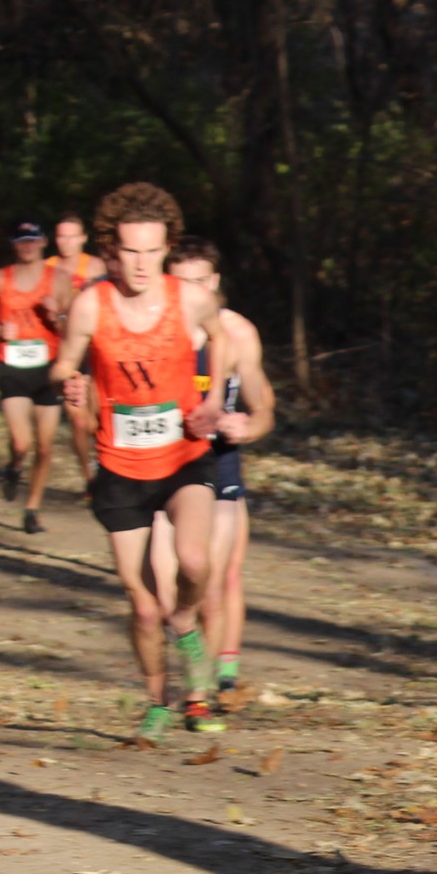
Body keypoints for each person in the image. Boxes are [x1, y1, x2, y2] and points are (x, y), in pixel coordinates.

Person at [50, 182, 230, 745]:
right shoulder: (90, 305)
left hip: (183, 456)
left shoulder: (188, 298)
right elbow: (62, 366)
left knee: (195, 563)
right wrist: (71, 385)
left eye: (152, 251)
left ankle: (189, 622)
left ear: (166, 247)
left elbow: (220, 339)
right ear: (110, 249)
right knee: (143, 604)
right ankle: (157, 700)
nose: (142, 264)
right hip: (121, 466)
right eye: (130, 251)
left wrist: (214, 399)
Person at [163, 236, 275, 697]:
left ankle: (215, 679)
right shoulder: (154, 329)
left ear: (215, 282)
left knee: (223, 573)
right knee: (183, 579)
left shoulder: (238, 332)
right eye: (181, 281)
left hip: (219, 460)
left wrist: (248, 425)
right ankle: (200, 670)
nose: (191, 291)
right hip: (165, 462)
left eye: (200, 281)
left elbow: (264, 404)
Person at [0, 220, 65, 531]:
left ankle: (31, 509)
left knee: (44, 446)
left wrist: (57, 315)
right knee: (22, 442)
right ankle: (13, 467)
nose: (27, 246)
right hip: (13, 366)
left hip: (48, 368)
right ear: (14, 245)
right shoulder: (0, 279)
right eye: (21, 240)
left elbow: (75, 327)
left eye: (32, 240)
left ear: (43, 243)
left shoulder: (59, 280)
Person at [47, 212, 105, 483]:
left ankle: (103, 463)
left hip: (93, 352)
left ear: (83, 238)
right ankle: (88, 478)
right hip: (61, 353)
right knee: (77, 419)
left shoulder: (97, 268)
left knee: (95, 420)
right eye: (61, 236)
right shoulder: (46, 268)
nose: (66, 242)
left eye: (72, 236)